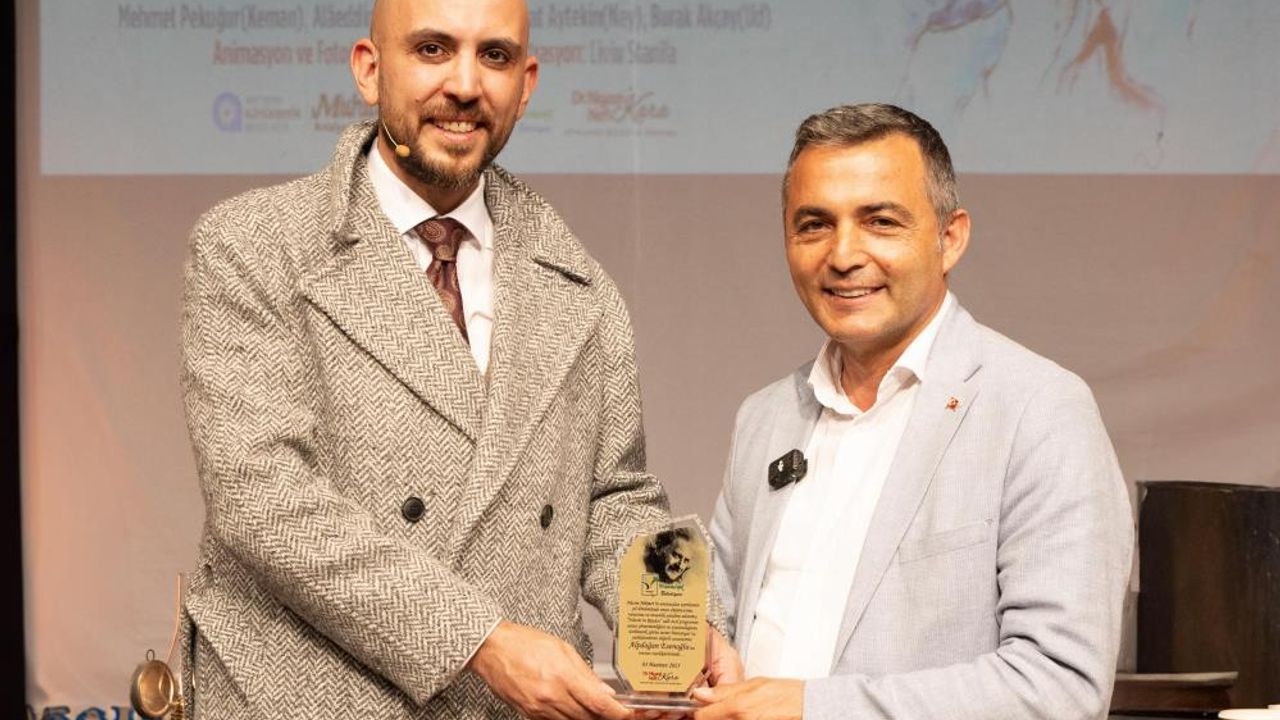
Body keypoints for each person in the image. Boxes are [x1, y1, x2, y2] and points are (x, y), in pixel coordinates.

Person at [178, 0, 732, 717]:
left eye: (494, 56)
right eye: (432, 50)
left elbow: (611, 498)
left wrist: (683, 626)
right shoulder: (253, 246)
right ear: (369, 71)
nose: (466, 85)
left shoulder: (581, 286)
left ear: (526, 84)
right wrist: (481, 640)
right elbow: (263, 500)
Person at [695, 103, 1133, 720]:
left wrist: (814, 709)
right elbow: (719, 625)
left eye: (880, 222)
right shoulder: (765, 418)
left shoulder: (1039, 410)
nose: (843, 255)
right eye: (814, 225)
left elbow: (1058, 686)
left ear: (949, 238)